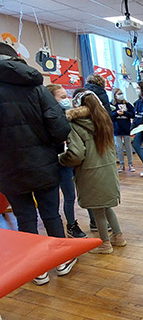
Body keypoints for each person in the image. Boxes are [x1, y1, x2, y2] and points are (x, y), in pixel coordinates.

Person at [0, 42, 76, 284]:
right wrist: (48, 146)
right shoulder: (38, 89)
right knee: (51, 214)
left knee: (25, 217)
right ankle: (61, 260)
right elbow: (61, 128)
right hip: (43, 163)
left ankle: (37, 269)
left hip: (8, 170)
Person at [59, 90, 126, 254]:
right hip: (109, 169)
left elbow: (76, 154)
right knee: (107, 206)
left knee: (98, 210)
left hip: (91, 172)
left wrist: (61, 158)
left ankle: (105, 244)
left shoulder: (74, 125)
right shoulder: (104, 120)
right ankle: (118, 237)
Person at [46, 84, 86, 238]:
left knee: (72, 195)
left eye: (66, 96)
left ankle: (76, 223)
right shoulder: (48, 118)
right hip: (55, 161)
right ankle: (70, 225)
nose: (66, 100)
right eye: (62, 97)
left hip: (68, 159)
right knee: (61, 197)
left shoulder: (69, 115)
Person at [111, 88, 135, 172]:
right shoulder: (112, 105)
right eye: (118, 93)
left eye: (121, 93)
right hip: (116, 129)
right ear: (114, 95)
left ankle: (130, 164)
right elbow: (109, 116)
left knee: (128, 146)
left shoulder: (127, 104)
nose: (120, 95)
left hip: (126, 128)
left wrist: (124, 113)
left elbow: (133, 114)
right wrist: (116, 113)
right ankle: (121, 164)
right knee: (119, 147)